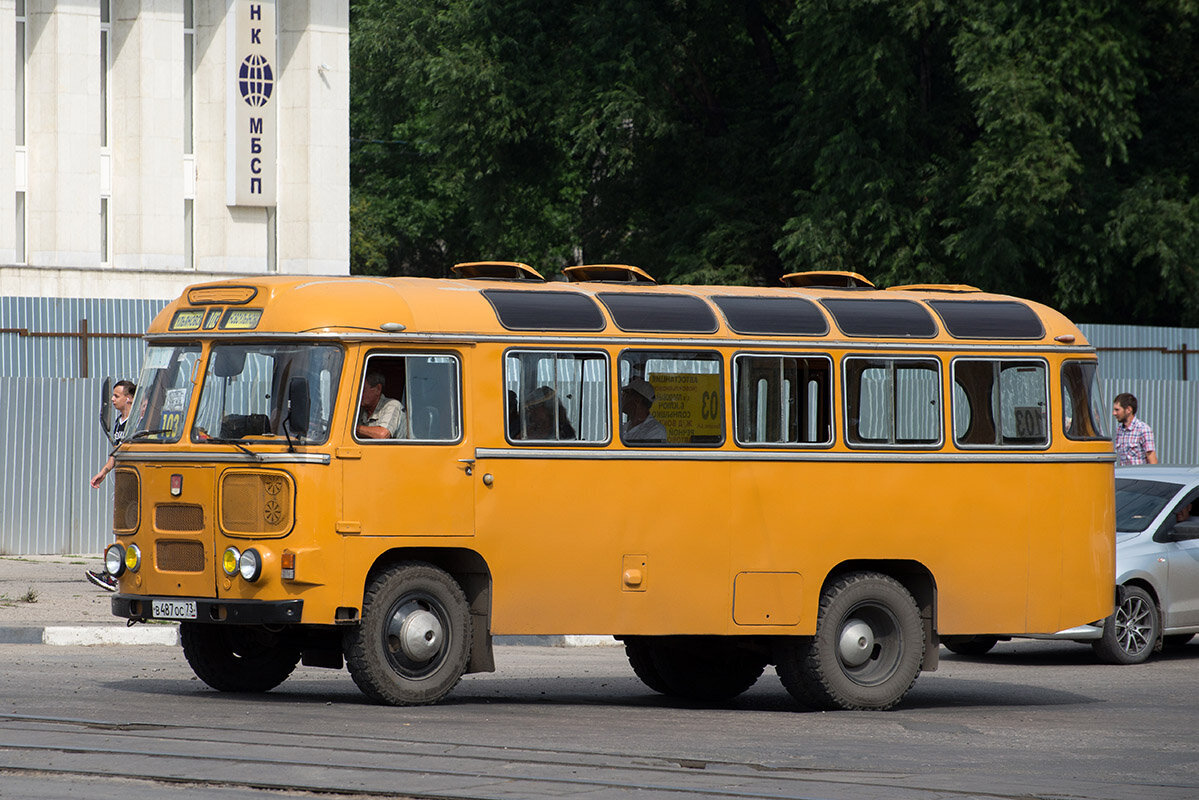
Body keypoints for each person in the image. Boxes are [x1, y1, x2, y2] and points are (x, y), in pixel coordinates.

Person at [86, 379, 136, 590]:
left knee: (130, 529)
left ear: (129, 398)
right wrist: (104, 472)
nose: (113, 400)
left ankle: (117, 575)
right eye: (112, 396)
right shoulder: (118, 423)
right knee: (120, 528)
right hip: (122, 483)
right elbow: (116, 452)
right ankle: (115, 572)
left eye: (117, 396)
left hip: (136, 484)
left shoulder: (137, 422)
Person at [356, 370, 405, 439]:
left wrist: (354, 428)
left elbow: (382, 434)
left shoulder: (392, 405)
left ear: (378, 389)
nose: (359, 395)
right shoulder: (361, 409)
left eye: (362, 390)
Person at [1113, 392, 1157, 466]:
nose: (1114, 413)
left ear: (1129, 410)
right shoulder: (1119, 430)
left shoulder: (1143, 429)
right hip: (1124, 475)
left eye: (1117, 410)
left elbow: (1152, 458)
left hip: (1138, 475)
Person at [621, 377, 667, 443]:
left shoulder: (656, 430)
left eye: (625, 394)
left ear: (637, 400)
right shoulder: (625, 427)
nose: (622, 398)